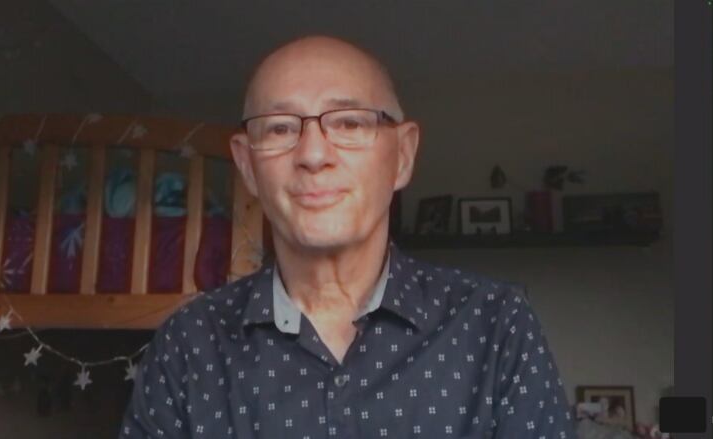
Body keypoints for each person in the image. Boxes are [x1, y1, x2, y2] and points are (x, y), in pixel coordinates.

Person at [119, 35, 576, 438]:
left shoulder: (496, 325)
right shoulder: (188, 344)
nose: (314, 154)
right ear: (247, 166)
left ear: (402, 155)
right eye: (280, 128)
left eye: (350, 123)